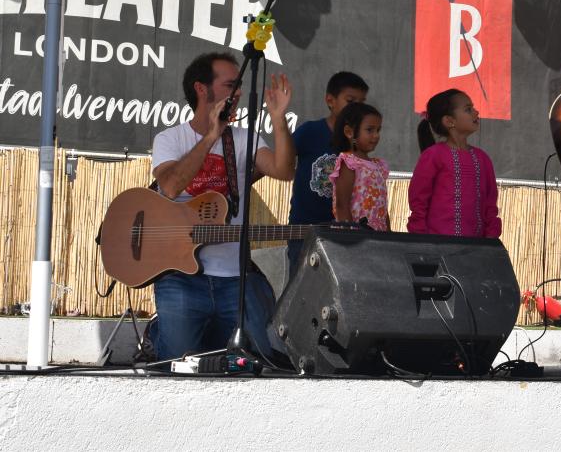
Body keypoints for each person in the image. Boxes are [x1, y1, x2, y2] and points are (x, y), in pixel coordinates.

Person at [150, 52, 295, 362]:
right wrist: (211, 136)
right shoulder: (170, 138)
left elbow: (284, 171)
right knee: (174, 364)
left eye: (240, 85)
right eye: (231, 84)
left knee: (239, 364)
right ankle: (158, 334)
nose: (238, 92)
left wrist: (278, 119)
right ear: (202, 89)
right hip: (180, 276)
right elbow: (172, 185)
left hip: (233, 278)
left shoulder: (244, 139)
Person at [288, 72, 369, 267]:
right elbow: (276, 163)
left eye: (362, 102)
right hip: (305, 232)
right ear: (330, 100)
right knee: (301, 290)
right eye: (350, 100)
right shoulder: (309, 131)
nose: (356, 108)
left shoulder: (360, 141)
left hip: (347, 234)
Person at [407, 89, 501, 238]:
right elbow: (419, 201)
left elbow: (490, 203)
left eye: (473, 108)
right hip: (437, 246)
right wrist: (422, 241)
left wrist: (490, 238)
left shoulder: (482, 158)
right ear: (449, 121)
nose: (476, 113)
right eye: (468, 109)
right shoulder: (433, 155)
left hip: (475, 248)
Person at [329, 102, 390, 231]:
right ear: (349, 132)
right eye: (370, 130)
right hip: (356, 239)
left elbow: (383, 209)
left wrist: (389, 235)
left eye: (378, 130)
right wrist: (351, 240)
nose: (376, 135)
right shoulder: (349, 163)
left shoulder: (379, 166)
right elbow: (342, 206)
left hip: (379, 238)